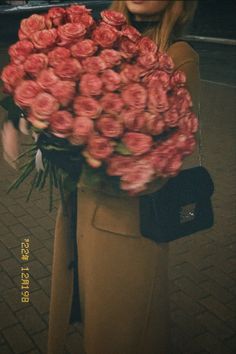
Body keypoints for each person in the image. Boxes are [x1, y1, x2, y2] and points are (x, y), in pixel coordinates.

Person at [47, 1, 200, 354]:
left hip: (128, 229)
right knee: (89, 320)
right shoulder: (102, 40)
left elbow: (167, 162)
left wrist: (85, 159)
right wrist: (52, 138)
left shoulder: (178, 55)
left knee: (125, 334)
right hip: (79, 216)